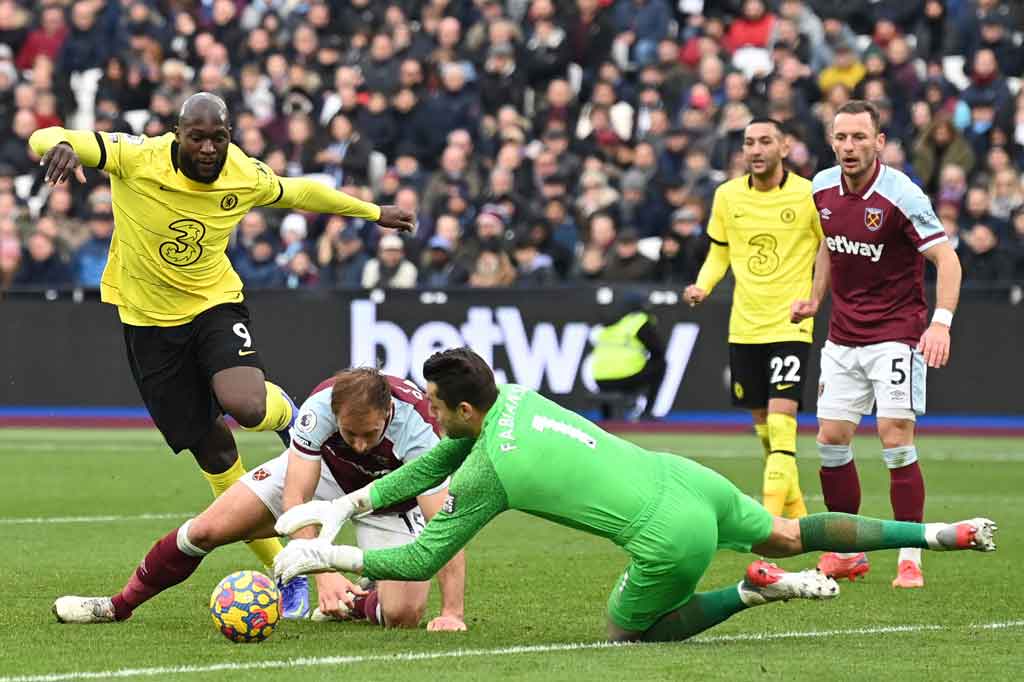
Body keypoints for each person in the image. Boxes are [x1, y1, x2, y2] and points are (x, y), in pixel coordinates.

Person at [272, 347, 996, 643]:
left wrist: (322, 556)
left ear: (464, 408)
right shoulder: (514, 398)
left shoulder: (492, 470)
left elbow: (420, 557)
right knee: (788, 531)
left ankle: (752, 592)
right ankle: (936, 534)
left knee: (631, 635)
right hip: (688, 479)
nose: (426, 412)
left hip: (667, 536)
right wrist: (344, 507)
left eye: (433, 403)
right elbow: (432, 464)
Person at [29, 92, 416, 617]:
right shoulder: (135, 156)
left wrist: (373, 212)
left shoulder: (242, 173)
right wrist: (60, 145)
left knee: (247, 405)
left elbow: (300, 191)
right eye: (198, 137)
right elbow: (46, 136)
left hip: (214, 304)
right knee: (215, 455)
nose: (210, 148)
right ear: (177, 134)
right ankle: (284, 571)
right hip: (147, 323)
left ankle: (289, 415)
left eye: (219, 137)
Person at [52, 368, 467, 631]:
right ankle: (118, 605)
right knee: (206, 529)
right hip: (325, 475)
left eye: (369, 434)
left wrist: (452, 613)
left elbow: (445, 526)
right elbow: (296, 496)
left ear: (388, 413)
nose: (359, 444)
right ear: (335, 415)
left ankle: (358, 603)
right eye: (349, 433)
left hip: (389, 500)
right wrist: (323, 573)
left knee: (403, 616)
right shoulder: (320, 407)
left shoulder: (419, 430)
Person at [791, 100, 963, 589]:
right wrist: (815, 298)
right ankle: (848, 552)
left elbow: (948, 261)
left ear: (879, 142)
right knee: (830, 440)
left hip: (896, 334)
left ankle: (911, 555)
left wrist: (941, 324)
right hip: (843, 336)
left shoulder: (902, 194)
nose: (849, 146)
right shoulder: (822, 187)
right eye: (841, 137)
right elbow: (829, 244)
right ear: (832, 142)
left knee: (894, 436)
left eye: (859, 137)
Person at [683, 118, 823, 520]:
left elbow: (829, 249)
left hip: (791, 323)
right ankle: (797, 515)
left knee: (782, 421)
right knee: (764, 428)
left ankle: (770, 523)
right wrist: (703, 286)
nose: (756, 150)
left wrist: (816, 296)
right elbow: (719, 253)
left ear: (785, 147)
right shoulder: (727, 196)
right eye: (749, 143)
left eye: (765, 141)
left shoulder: (808, 195)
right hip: (745, 325)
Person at [588, 294, 665, 419]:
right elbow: (658, 350)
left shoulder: (608, 323)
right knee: (660, 364)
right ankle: (647, 413)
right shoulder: (638, 321)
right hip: (626, 378)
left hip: (600, 379)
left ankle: (607, 418)